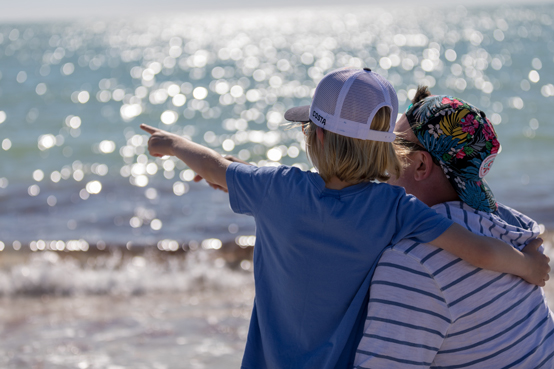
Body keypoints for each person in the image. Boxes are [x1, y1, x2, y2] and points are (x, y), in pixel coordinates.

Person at [140, 68, 547, 369]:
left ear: (315, 136)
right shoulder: (400, 209)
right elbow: (477, 249)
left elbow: (217, 167)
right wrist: (528, 262)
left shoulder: (277, 190)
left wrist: (175, 144)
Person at [354, 87, 554, 368]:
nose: (382, 161)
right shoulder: (506, 226)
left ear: (421, 164)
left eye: (392, 147)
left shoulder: (413, 263)